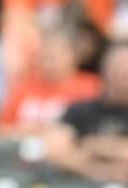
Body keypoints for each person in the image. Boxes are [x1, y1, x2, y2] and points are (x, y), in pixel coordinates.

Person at [43, 43, 128, 182]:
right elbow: (54, 149)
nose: (122, 78)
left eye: (125, 73)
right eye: (117, 70)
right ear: (105, 71)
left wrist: (94, 146)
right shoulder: (80, 109)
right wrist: (100, 171)